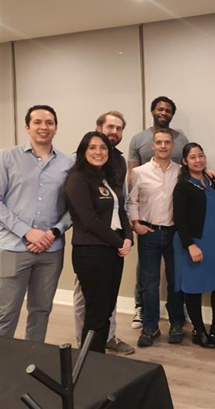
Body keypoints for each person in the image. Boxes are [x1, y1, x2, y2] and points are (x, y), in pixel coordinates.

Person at [0, 105, 72, 342]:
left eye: (49, 122)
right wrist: (27, 232)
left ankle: (33, 358)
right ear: (27, 127)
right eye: (38, 122)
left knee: (41, 311)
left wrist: (53, 233)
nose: (44, 127)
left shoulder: (67, 163)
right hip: (13, 247)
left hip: (51, 250)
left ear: (56, 128)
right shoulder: (6, 157)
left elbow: (73, 208)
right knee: (6, 313)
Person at [64, 131, 133, 353]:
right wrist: (119, 242)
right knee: (96, 313)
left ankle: (99, 359)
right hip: (91, 252)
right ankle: (90, 362)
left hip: (112, 251)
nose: (98, 152)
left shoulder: (107, 177)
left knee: (106, 310)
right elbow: (90, 220)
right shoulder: (77, 179)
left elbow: (121, 210)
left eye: (103, 148)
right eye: (92, 147)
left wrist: (128, 238)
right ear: (83, 151)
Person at [127, 96, 189, 329]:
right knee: (149, 280)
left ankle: (176, 322)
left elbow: (194, 171)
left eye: (168, 110)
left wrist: (209, 172)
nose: (163, 146)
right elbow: (131, 195)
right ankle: (148, 322)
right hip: (149, 229)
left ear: (173, 146)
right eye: (160, 109)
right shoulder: (139, 165)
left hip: (174, 231)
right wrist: (135, 223)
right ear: (152, 146)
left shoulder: (180, 169)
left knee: (175, 279)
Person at [172, 143, 215, 349]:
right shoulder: (182, 186)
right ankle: (199, 331)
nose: (198, 160)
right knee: (193, 288)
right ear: (185, 161)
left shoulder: (211, 181)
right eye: (192, 157)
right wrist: (190, 245)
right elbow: (179, 219)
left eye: (201, 155)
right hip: (194, 243)